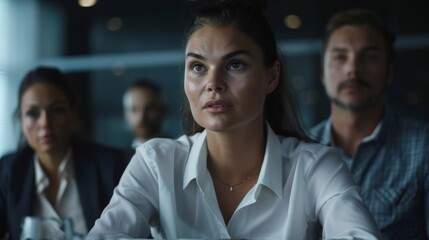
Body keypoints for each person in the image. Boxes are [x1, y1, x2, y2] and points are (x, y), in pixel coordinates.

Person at [88, 1, 381, 239]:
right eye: (198, 67)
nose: (212, 83)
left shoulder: (315, 166)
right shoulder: (156, 163)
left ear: (271, 76)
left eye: (235, 64)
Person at [310, 9, 429, 239]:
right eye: (340, 57)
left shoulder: (424, 147)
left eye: (369, 57)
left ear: (389, 72)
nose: (353, 69)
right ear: (323, 73)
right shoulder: (298, 149)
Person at [0, 67, 128, 239]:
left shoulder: (109, 165)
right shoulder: (8, 170)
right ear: (21, 121)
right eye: (32, 114)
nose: (45, 123)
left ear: (73, 115)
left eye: (56, 110)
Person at [123, 79, 167, 149]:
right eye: (134, 109)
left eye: (150, 109)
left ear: (163, 111)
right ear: (125, 113)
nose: (142, 117)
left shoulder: (177, 154)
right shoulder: (120, 157)